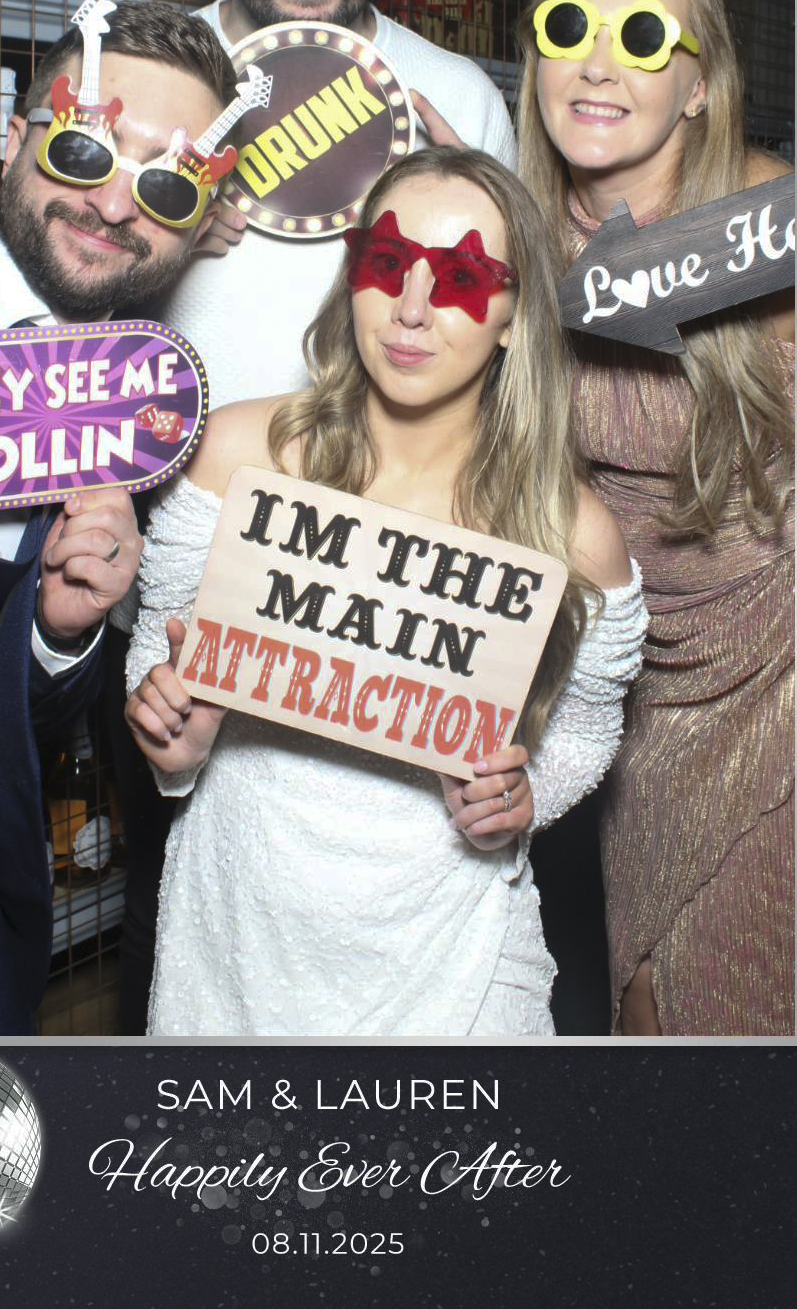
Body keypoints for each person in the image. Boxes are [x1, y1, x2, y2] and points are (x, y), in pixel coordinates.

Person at [119, 148, 647, 1036]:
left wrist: (519, 800)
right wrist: (174, 741)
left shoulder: (571, 531)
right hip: (240, 933)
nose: (411, 309)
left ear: (514, 316)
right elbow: (160, 650)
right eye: (389, 263)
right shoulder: (234, 454)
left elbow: (591, 726)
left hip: (461, 950)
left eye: (462, 278)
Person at [0, 0, 238, 1035]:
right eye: (84, 148)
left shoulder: (134, 407)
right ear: (14, 141)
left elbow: (3, 710)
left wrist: (61, 632)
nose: (116, 205)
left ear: (201, 220)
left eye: (165, 185)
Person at [517, 0, 796, 1037]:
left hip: (790, 665)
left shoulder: (774, 225)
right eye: (569, 27)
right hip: (637, 684)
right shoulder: (515, 236)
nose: (597, 61)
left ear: (696, 85)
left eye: (642, 36)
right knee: (651, 1004)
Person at [161, 0, 518, 406]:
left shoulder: (463, 99)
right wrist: (148, 239)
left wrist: (459, 226)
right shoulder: (147, 79)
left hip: (376, 499)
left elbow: (510, 341)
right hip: (163, 492)